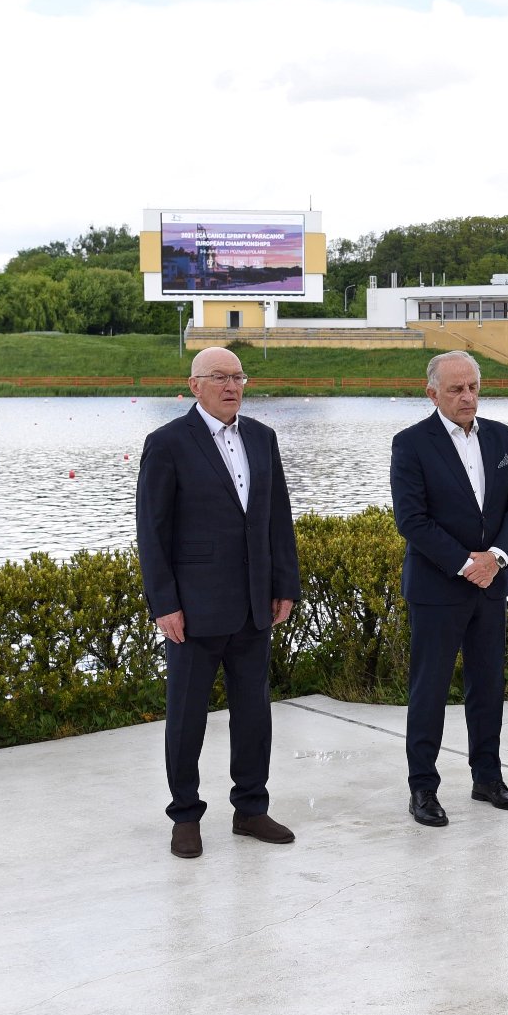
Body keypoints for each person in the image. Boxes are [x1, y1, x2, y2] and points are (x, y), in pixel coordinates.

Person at [135, 346, 301, 859]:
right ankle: (185, 815)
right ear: (194, 385)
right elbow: (152, 529)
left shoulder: (262, 438)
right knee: (187, 717)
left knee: (254, 713)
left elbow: (277, 518)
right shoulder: (166, 443)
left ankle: (251, 809)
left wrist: (285, 585)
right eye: (219, 377)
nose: (232, 386)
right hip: (194, 608)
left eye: (238, 377)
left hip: (255, 603)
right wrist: (164, 602)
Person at [390, 351, 508, 827]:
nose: (468, 396)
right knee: (428, 690)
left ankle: (487, 778)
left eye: (472, 386)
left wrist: (497, 558)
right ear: (432, 393)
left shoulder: (500, 436)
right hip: (437, 589)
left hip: (492, 583)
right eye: (456, 389)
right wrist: (463, 563)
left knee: (488, 687)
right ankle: (423, 790)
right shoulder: (410, 444)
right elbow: (412, 519)